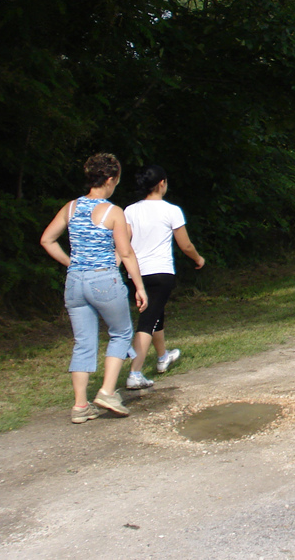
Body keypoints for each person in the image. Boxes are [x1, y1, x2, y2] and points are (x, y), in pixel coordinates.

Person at [40, 153, 148, 422]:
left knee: (84, 342)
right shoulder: (113, 212)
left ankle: (80, 406)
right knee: (121, 333)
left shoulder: (70, 208)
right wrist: (139, 286)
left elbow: (47, 240)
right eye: (117, 179)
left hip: (75, 282)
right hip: (104, 280)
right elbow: (125, 253)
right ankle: (107, 392)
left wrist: (72, 263)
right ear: (110, 179)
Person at [123, 165, 207, 390]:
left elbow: (124, 243)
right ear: (162, 183)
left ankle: (162, 357)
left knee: (155, 313)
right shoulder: (171, 210)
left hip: (136, 273)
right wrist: (198, 259)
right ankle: (135, 373)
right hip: (161, 273)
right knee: (147, 321)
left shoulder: (130, 210)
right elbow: (185, 245)